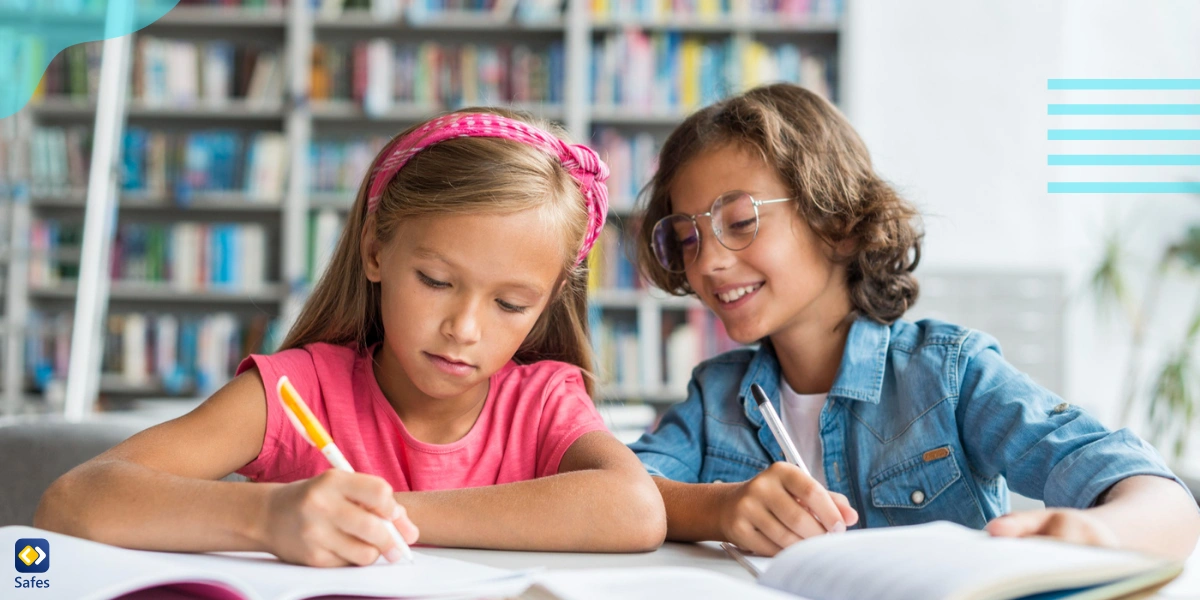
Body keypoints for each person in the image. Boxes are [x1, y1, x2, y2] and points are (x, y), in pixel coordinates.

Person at [37, 108, 667, 566]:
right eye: (435, 280)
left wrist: (388, 515)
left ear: (549, 303)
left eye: (510, 303)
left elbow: (634, 509)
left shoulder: (542, 401)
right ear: (374, 251)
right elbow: (73, 501)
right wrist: (267, 517)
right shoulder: (298, 392)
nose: (464, 329)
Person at [628, 83, 1199, 559]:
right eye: (687, 238)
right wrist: (721, 508)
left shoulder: (950, 376)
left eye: (741, 221)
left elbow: (1163, 500)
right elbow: (623, 496)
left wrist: (1101, 535)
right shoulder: (716, 397)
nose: (708, 260)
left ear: (840, 222)